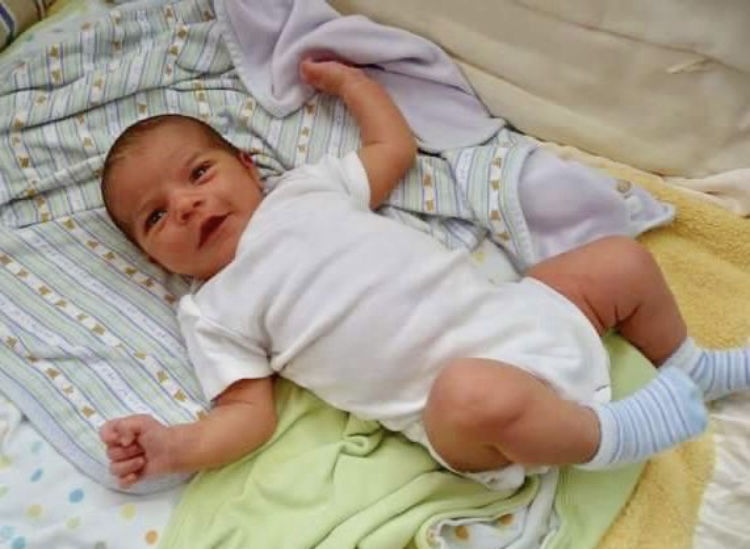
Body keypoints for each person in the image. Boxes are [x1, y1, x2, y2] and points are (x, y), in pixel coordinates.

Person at [99, 59, 748, 490]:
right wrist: (175, 447)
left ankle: (690, 365)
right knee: (470, 390)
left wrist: (353, 86)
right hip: (462, 416)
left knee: (618, 261)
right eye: (156, 217)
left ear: (247, 165)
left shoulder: (307, 189)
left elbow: (392, 148)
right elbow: (247, 414)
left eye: (199, 173)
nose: (186, 206)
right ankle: (611, 436)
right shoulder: (215, 308)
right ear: (155, 258)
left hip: (524, 316)